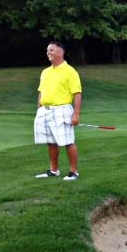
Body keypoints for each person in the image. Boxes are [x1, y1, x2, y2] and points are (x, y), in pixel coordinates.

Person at [33, 41, 82, 181]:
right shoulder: (45, 72)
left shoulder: (70, 72)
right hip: (45, 110)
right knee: (51, 142)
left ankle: (74, 172)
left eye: (51, 50)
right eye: (48, 50)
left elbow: (77, 93)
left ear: (61, 52)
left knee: (68, 141)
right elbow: (41, 92)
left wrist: (76, 114)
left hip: (62, 109)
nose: (48, 52)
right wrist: (39, 109)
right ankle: (54, 171)